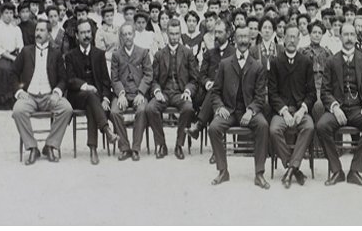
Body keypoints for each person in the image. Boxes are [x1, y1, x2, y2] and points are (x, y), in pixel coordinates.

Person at [207, 25, 271, 188]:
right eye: (239, 37)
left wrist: (251, 110)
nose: (243, 41)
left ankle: (259, 173)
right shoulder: (225, 64)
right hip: (229, 110)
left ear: (250, 40)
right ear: (234, 40)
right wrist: (219, 106)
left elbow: (260, 96)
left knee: (263, 125)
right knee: (214, 128)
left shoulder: (257, 66)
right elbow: (215, 92)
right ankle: (223, 171)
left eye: (246, 37)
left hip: (250, 111)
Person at [316, 21, 362, 187]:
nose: (349, 38)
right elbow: (325, 92)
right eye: (346, 34)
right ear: (340, 36)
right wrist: (335, 107)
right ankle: (337, 170)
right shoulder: (331, 61)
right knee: (322, 126)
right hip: (339, 109)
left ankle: (355, 170)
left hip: (358, 109)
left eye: (352, 34)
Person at [11, 19, 74, 164]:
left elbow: (63, 78)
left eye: (42, 30)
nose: (38, 33)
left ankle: (50, 145)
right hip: (30, 97)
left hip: (48, 96)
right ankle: (32, 147)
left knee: (66, 108)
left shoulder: (56, 53)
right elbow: (13, 73)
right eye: (36, 30)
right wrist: (19, 92)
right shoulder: (26, 51)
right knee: (18, 111)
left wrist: (57, 92)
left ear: (49, 33)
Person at [64, 19, 120, 164]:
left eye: (88, 32)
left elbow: (106, 81)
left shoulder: (99, 54)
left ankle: (93, 149)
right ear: (76, 35)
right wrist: (85, 86)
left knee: (91, 104)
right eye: (82, 32)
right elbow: (69, 80)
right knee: (90, 95)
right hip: (76, 96)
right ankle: (106, 130)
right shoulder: (70, 55)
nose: (86, 35)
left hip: (94, 99)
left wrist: (106, 99)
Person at [268, 24, 316, 188]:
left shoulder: (306, 62)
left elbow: (312, 93)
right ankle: (294, 169)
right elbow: (272, 93)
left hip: (300, 111)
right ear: (283, 38)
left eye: (295, 37)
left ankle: (290, 170)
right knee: (274, 130)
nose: (292, 40)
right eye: (288, 36)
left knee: (309, 127)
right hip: (282, 112)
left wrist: (302, 110)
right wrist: (284, 112)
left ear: (299, 39)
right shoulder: (275, 62)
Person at [145, 17, 198, 159]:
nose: (174, 37)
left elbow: (194, 79)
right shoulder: (159, 54)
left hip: (180, 93)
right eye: (171, 34)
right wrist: (157, 91)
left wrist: (187, 90)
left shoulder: (188, 53)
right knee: (150, 108)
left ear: (180, 34)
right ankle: (161, 144)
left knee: (188, 108)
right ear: (167, 34)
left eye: (176, 34)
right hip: (164, 93)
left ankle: (179, 145)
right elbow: (154, 80)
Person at [109, 22, 153, 160]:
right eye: (124, 34)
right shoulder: (116, 55)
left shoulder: (143, 52)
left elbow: (148, 74)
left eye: (129, 33)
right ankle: (124, 148)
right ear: (121, 36)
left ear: (134, 35)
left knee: (141, 110)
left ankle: (135, 148)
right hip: (123, 93)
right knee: (114, 112)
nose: (127, 37)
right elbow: (114, 78)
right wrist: (121, 93)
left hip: (138, 92)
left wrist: (141, 92)